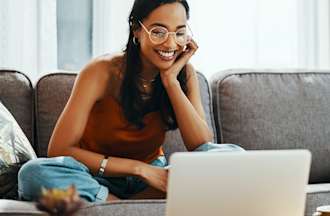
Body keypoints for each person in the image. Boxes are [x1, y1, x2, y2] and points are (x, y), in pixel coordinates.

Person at [18, 0, 244, 203]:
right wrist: (139, 169)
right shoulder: (101, 71)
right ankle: (117, 206)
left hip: (152, 182)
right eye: (158, 32)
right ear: (136, 29)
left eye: (180, 33)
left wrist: (170, 81)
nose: (170, 44)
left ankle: (126, 204)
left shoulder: (183, 73)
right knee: (32, 173)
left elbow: (201, 144)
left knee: (232, 157)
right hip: (95, 176)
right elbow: (59, 148)